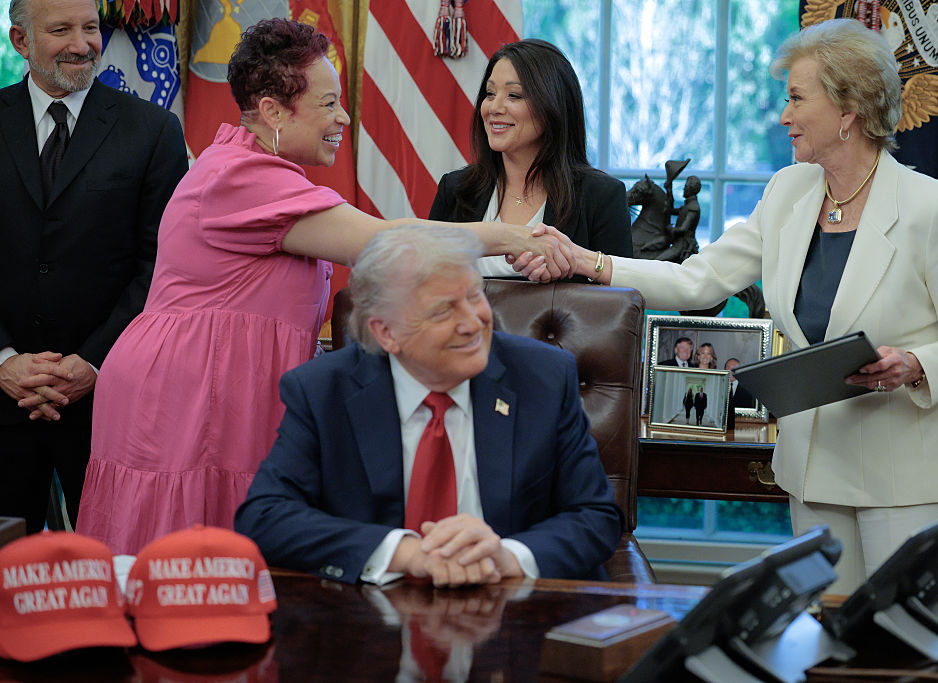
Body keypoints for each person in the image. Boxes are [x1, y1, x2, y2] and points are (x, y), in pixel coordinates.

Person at [524, 19, 938, 593]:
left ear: (849, 109)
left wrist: (916, 364)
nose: (784, 115)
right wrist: (590, 261)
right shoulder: (787, 192)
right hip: (814, 471)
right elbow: (697, 281)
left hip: (908, 476)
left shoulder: (933, 207)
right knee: (826, 635)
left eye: (797, 98)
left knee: (902, 636)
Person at [75, 19, 570, 555]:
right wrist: (511, 235)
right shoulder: (241, 176)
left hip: (220, 382)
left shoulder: (251, 166)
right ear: (273, 112)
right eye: (329, 103)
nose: (344, 117)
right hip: (192, 391)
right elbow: (386, 242)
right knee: (185, 568)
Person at [235, 225, 622, 587]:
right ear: (386, 332)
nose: (472, 323)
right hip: (372, 615)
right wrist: (405, 553)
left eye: (475, 296)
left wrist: (507, 557)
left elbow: (595, 515)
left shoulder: (543, 378)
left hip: (515, 609)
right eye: (443, 311)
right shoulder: (324, 391)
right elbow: (265, 516)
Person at [0, 0, 188, 533]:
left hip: (110, 399)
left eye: (90, 28)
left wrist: (93, 362)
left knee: (110, 566)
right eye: (61, 30)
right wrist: (5, 360)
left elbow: (163, 266)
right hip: (3, 397)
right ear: (20, 41)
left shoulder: (153, 130)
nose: (82, 44)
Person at [428, 39, 632, 278]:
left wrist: (566, 273)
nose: (494, 107)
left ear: (553, 105)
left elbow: (621, 295)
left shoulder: (601, 196)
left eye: (514, 95)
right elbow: (423, 281)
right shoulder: (455, 188)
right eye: (490, 94)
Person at [725, 358, 756, 431]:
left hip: (745, 426)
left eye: (733, 369)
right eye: (728, 368)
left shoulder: (748, 390)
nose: (730, 372)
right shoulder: (719, 386)